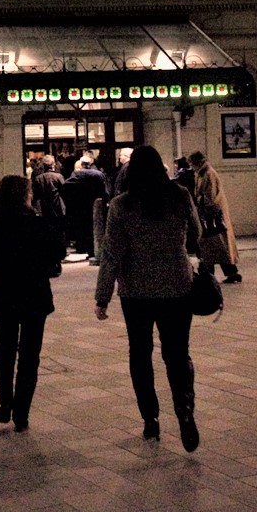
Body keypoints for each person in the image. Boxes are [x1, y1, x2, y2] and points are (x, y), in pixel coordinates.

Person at [94, 145, 204, 451]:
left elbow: (111, 254)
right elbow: (196, 234)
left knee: (140, 354)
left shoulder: (121, 205)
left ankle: (151, 420)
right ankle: (184, 412)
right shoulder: (179, 195)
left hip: (136, 292)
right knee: (177, 353)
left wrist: (102, 297)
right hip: (177, 287)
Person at [0, 175, 62, 432]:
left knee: (5, 349)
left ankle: (5, 402)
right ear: (24, 196)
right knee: (29, 355)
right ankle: (21, 412)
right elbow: (57, 252)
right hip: (35, 296)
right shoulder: (37, 224)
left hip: (5, 295)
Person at [187, 152, 242, 284]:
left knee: (212, 246)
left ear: (197, 163)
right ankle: (226, 273)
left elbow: (209, 197)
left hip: (211, 217)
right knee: (216, 247)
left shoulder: (207, 174)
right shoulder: (203, 173)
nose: (191, 167)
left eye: (191, 164)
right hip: (210, 216)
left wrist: (196, 200)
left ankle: (209, 275)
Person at [60, 157, 107, 256]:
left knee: (83, 228)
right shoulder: (99, 174)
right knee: (95, 228)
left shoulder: (77, 174)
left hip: (82, 205)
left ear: (81, 164)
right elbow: (105, 191)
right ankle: (94, 251)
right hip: (96, 204)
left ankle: (83, 248)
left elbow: (65, 186)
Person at [29, 155, 67, 276]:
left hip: (46, 209)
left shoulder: (38, 178)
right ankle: (60, 253)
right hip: (58, 208)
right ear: (53, 165)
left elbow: (35, 196)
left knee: (49, 233)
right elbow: (65, 191)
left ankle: (52, 255)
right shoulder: (58, 177)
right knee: (60, 231)